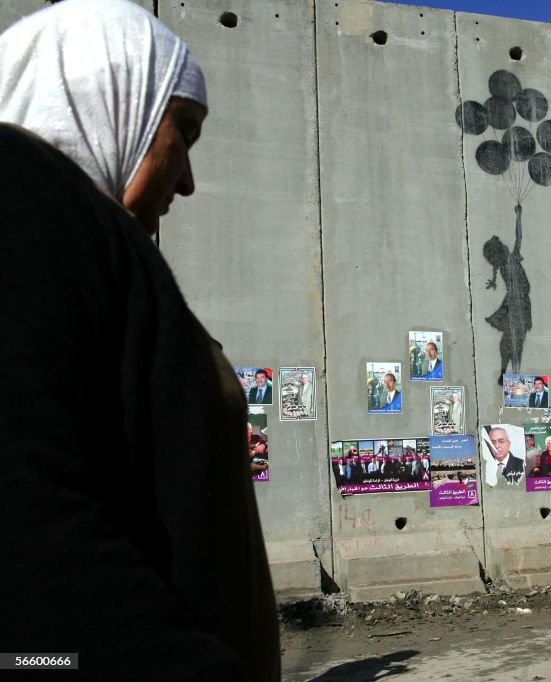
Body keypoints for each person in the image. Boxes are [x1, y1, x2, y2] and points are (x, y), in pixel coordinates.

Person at [0, 1, 278, 679]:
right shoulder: (22, 209)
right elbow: (35, 555)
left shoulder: (83, 247)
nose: (187, 180)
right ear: (107, 95)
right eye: (181, 131)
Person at [484, 203, 532, 384]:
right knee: (513, 340)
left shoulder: (508, 261)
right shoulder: (506, 262)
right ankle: (508, 372)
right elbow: (518, 238)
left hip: (517, 302)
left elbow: (518, 237)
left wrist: (518, 217)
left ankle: (511, 373)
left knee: (514, 339)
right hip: (514, 302)